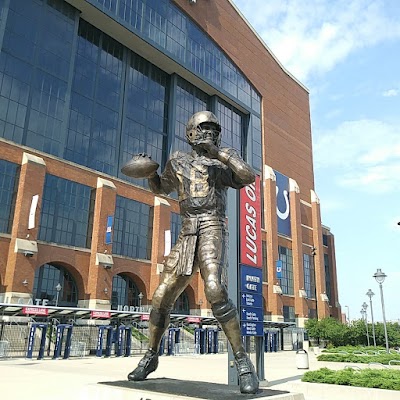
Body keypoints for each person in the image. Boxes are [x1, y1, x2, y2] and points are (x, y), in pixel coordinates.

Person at [127, 111, 259, 394]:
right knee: (163, 294)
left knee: (214, 288)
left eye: (213, 128)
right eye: (203, 127)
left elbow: (248, 176)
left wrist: (221, 154)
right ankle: (150, 356)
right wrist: (150, 173)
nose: (209, 132)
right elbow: (162, 189)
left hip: (212, 225)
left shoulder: (221, 159)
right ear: (190, 133)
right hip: (187, 229)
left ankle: (243, 363)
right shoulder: (178, 160)